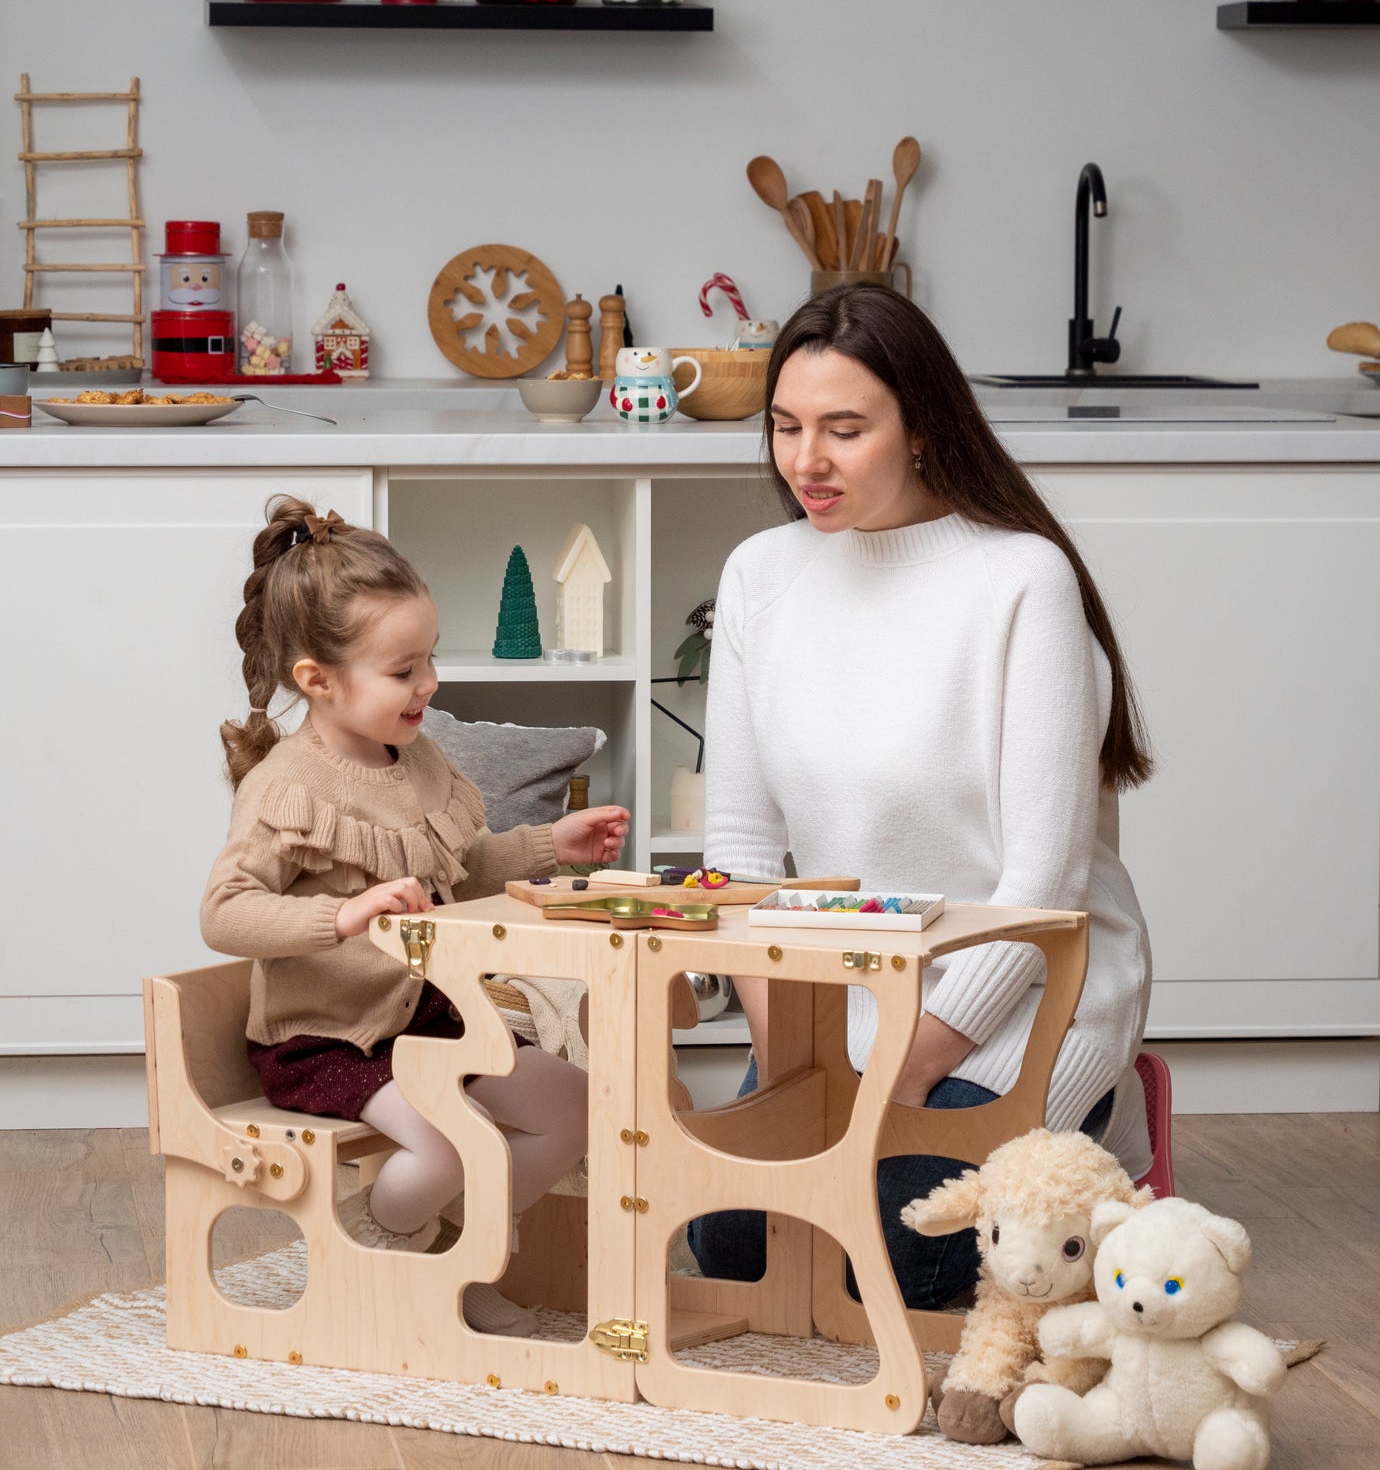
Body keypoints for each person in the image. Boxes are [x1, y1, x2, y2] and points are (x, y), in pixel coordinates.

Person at [689, 287, 1154, 1311]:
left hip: (1019, 992)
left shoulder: (1017, 580)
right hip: (836, 999)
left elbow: (1039, 882)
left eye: (844, 430)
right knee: (731, 1246)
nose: (805, 460)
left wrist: (897, 1076)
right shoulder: (761, 575)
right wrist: (787, 1063)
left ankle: (1106, 1105)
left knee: (891, 1263)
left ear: (923, 428)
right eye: (785, 425)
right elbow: (739, 848)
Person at [201, 497, 628, 1336]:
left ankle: (454, 1256)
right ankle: (377, 1246)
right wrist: (343, 916)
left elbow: (458, 873)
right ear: (317, 679)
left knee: (575, 1105)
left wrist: (550, 842)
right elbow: (225, 913)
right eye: (403, 671)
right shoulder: (285, 787)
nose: (427, 685)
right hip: (324, 1038)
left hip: (421, 1020)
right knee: (443, 1144)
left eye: (428, 660)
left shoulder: (419, 758)